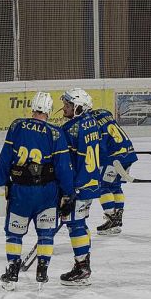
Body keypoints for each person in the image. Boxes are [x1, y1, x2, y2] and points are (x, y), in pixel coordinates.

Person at [0, 92, 74, 290]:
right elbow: (63, 167)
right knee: (46, 233)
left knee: (14, 233)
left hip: (21, 192)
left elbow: (5, 159)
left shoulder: (17, 126)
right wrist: (68, 194)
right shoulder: (56, 133)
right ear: (49, 110)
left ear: (33, 108)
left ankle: (12, 272)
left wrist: (0, 184)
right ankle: (42, 270)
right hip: (47, 193)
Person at [58, 88, 103, 286]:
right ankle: (84, 263)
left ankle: (82, 267)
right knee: (80, 223)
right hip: (91, 183)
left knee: (75, 225)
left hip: (78, 186)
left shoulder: (69, 130)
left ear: (78, 108)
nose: (64, 108)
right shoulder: (92, 123)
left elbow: (67, 164)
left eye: (68, 105)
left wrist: (68, 191)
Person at [90, 106, 137, 236]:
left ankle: (111, 218)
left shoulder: (90, 121)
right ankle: (117, 219)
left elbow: (101, 145)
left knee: (102, 186)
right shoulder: (104, 113)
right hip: (128, 153)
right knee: (116, 186)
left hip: (113, 157)